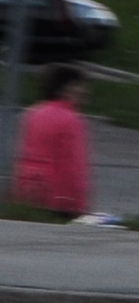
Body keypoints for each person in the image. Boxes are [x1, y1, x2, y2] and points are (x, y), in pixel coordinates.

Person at [9, 64, 91, 217]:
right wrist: (78, 204)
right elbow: (73, 165)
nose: (84, 91)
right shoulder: (71, 120)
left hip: (26, 191)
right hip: (59, 197)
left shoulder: (32, 113)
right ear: (65, 88)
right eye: (78, 86)